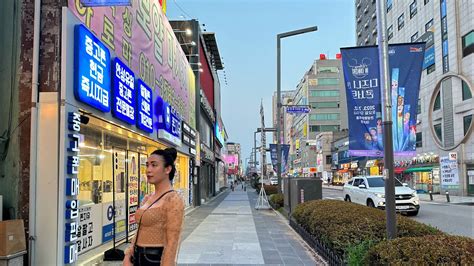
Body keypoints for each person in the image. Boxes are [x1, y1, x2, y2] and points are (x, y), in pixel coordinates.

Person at [123, 148, 184, 266]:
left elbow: (172, 242)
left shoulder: (173, 199)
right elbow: (139, 229)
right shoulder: (148, 197)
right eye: (147, 165)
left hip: (154, 259)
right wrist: (128, 254)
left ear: (167, 169)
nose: (148, 170)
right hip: (137, 256)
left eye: (154, 165)